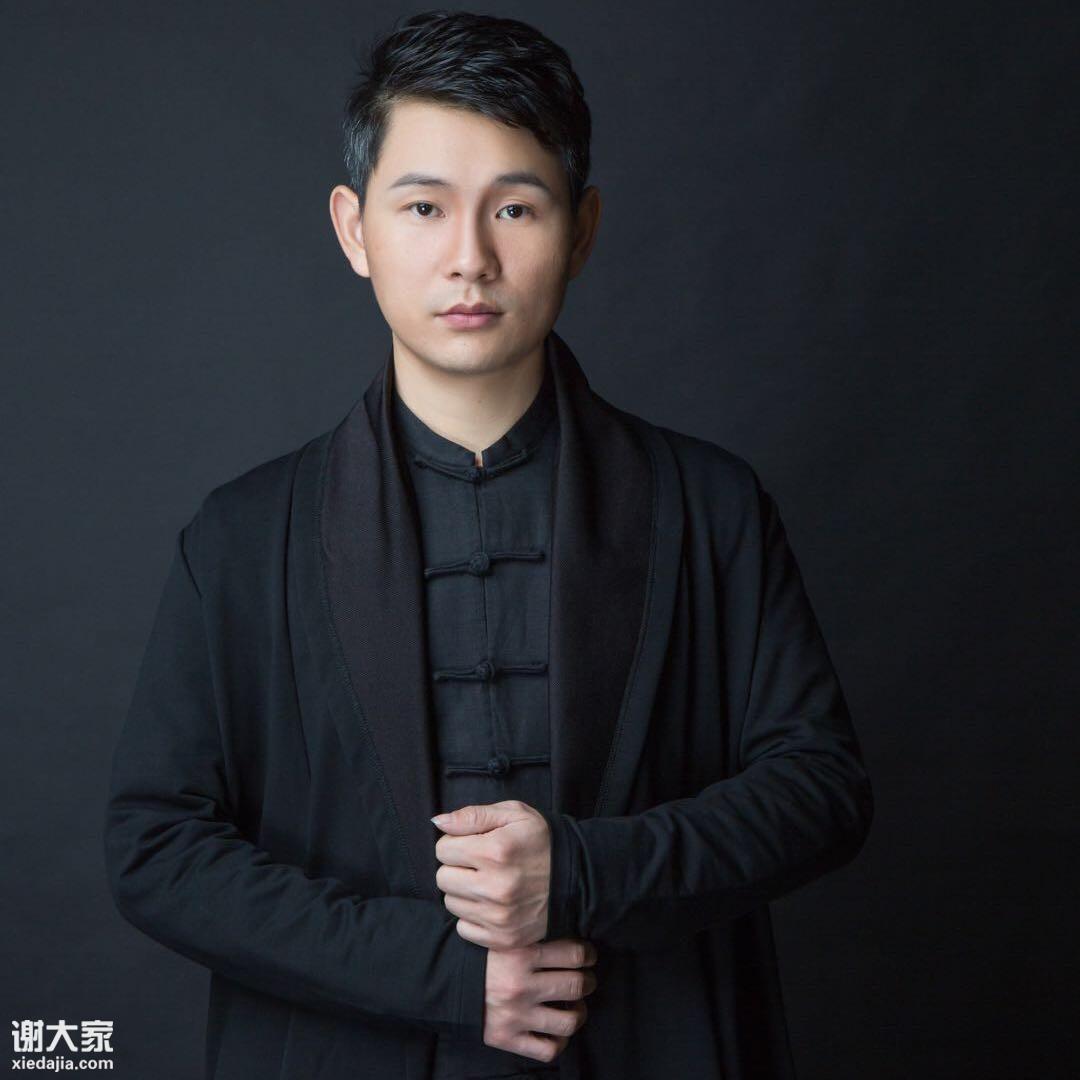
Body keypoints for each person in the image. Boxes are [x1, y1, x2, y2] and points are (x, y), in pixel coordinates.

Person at [104, 11, 874, 1080]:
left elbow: (822, 789)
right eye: (423, 207)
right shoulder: (242, 536)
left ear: (582, 228)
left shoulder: (711, 506)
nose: (470, 258)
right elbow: (157, 847)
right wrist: (436, 972)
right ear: (354, 228)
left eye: (516, 207)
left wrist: (586, 872)